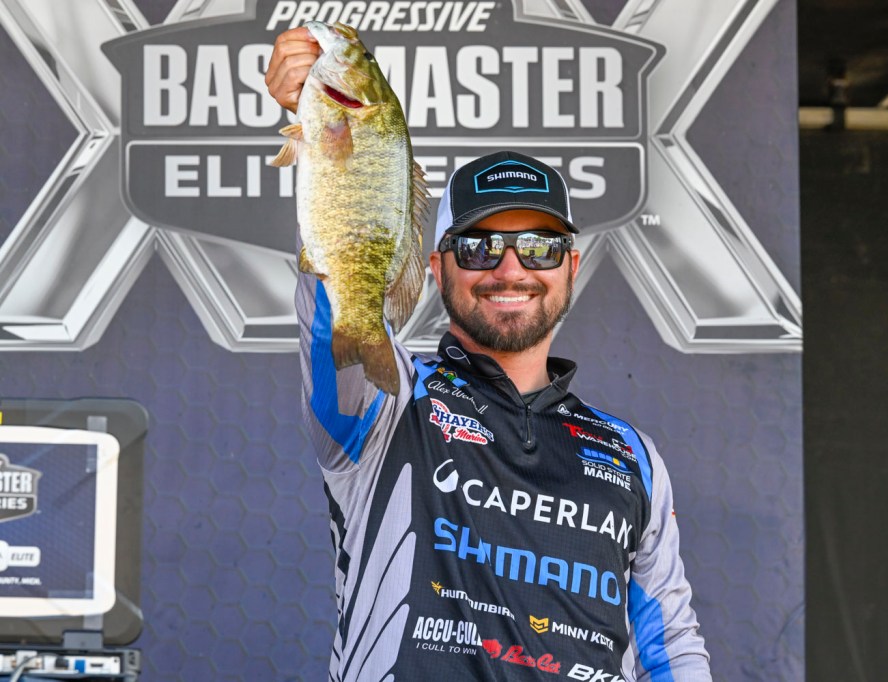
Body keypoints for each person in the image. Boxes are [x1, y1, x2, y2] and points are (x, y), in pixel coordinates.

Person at [266, 27, 712, 682]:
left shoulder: (633, 459)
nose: (510, 268)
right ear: (438, 266)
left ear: (571, 268)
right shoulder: (386, 408)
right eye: (478, 247)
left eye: (539, 247)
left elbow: (668, 642)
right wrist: (321, 129)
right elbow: (336, 309)